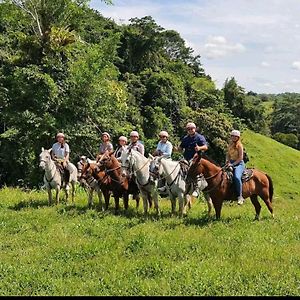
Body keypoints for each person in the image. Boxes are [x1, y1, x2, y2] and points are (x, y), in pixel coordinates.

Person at [177, 122, 210, 198]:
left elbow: (205, 147)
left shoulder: (199, 137)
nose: (190, 130)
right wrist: (177, 149)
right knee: (177, 167)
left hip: (197, 158)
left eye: (192, 128)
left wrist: (199, 148)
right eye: (188, 129)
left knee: (194, 169)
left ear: (195, 129)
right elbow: (181, 148)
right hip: (186, 158)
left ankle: (196, 188)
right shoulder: (185, 138)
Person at [225, 129, 245, 205]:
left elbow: (240, 158)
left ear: (238, 137)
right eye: (232, 136)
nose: (233, 137)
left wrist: (232, 165)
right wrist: (227, 161)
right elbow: (227, 155)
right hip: (230, 163)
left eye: (235, 136)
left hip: (239, 164)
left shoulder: (240, 145)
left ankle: (240, 196)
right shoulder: (230, 144)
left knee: (236, 177)